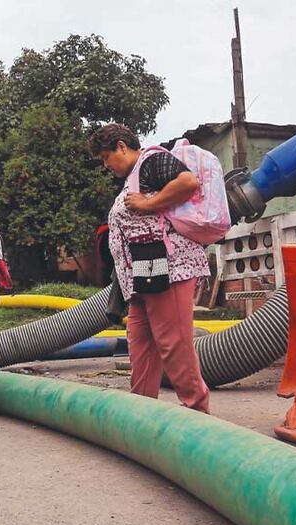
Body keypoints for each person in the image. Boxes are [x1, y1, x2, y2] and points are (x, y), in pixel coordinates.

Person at [89, 124, 211, 413]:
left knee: (173, 344)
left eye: (106, 158)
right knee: (140, 343)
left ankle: (198, 412)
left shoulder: (151, 161)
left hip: (169, 269)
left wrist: (149, 202)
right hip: (142, 275)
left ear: (121, 146)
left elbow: (188, 182)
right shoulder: (132, 177)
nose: (106, 166)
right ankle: (141, 414)